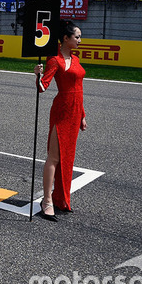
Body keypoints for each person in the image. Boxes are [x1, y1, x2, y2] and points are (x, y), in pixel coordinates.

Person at [33, 20, 87, 221]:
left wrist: (82, 115)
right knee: (54, 158)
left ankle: (61, 199)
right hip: (62, 111)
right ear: (66, 38)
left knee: (68, 159)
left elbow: (80, 90)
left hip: (74, 113)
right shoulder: (54, 60)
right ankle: (47, 201)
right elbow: (43, 87)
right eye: (77, 37)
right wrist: (37, 75)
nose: (80, 40)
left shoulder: (76, 59)